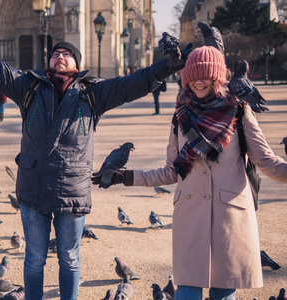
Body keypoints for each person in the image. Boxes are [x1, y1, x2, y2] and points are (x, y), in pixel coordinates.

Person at [0, 19, 190, 300]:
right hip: (33, 187)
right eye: (56, 53)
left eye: (67, 54)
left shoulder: (92, 93)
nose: (60, 56)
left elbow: (135, 83)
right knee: (34, 259)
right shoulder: (29, 87)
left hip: (72, 191)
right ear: (49, 61)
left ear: (77, 64)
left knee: (70, 259)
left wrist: (168, 65)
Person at [92, 46, 287, 300]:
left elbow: (266, 160)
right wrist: (124, 176)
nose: (197, 82)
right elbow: (171, 171)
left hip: (228, 218)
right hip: (189, 216)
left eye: (204, 75)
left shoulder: (239, 110)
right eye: (192, 77)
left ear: (218, 77)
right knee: (186, 293)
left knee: (223, 294)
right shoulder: (181, 115)